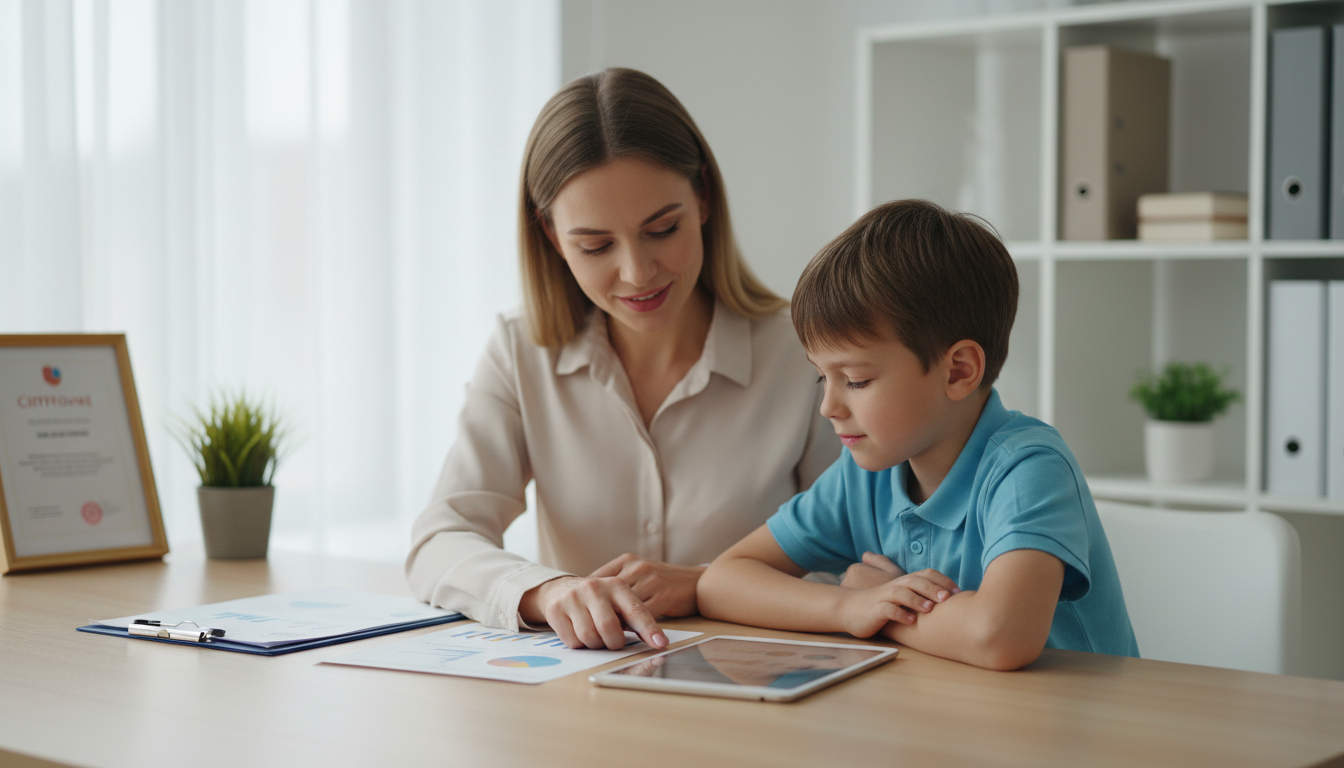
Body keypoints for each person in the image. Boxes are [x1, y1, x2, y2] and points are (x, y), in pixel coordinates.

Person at [406, 68, 840, 651]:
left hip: (763, 691)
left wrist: (710, 587)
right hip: (586, 699)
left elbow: (867, 562)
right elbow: (440, 538)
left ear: (704, 198)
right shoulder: (519, 350)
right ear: (553, 238)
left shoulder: (803, 355)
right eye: (596, 245)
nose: (637, 272)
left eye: (662, 229)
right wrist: (549, 591)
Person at [697, 199, 1139, 671]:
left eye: (857, 380)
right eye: (821, 378)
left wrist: (883, 608)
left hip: (1080, 731)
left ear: (959, 371)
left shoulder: (1029, 469)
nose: (828, 406)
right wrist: (850, 608)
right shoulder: (866, 475)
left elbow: (1001, 635)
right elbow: (722, 581)